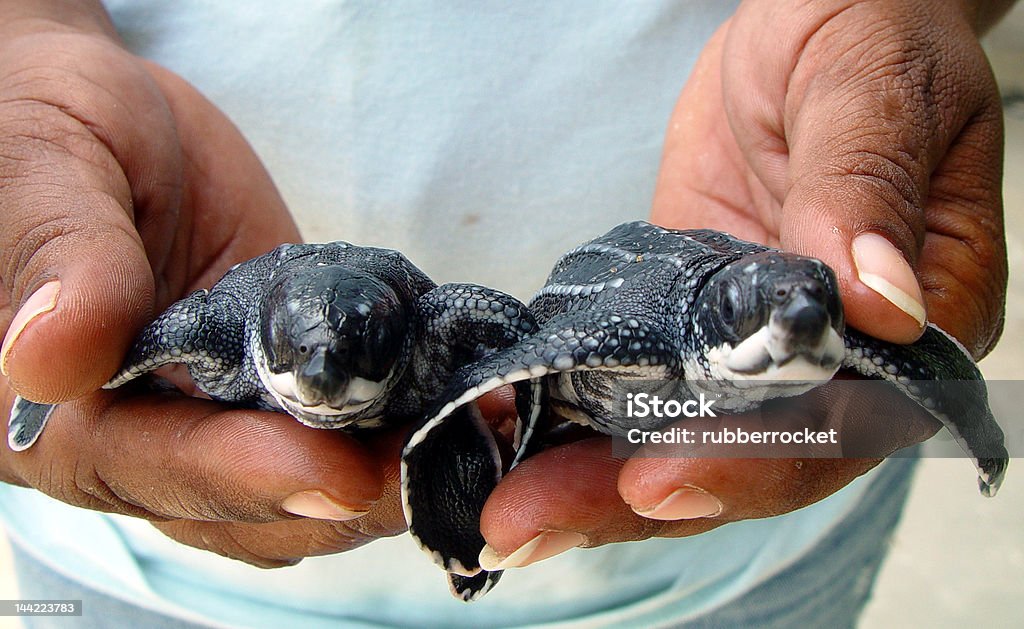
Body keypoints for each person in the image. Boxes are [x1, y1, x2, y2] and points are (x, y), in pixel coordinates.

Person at [0, 0, 1013, 626]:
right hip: (131, 575)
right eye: (787, 310)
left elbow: (491, 331)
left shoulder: (658, 322)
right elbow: (508, 341)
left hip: (759, 556)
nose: (806, 326)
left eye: (813, 315)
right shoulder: (222, 320)